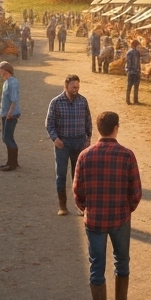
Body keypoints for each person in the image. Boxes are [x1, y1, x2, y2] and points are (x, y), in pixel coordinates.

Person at [73, 111, 142, 300]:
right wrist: (126, 209)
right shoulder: (127, 155)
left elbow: (77, 190)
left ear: (98, 128)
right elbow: (136, 191)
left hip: (95, 220)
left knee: (96, 265)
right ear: (116, 127)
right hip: (120, 218)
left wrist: (87, 208)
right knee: (121, 261)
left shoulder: (85, 155)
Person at [46, 74, 93, 217]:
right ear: (66, 86)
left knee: (78, 177)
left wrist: (87, 139)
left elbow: (88, 121)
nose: (76, 89)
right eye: (73, 87)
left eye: (78, 87)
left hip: (79, 143)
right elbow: (49, 124)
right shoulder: (55, 103)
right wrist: (55, 139)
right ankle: (63, 206)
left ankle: (80, 206)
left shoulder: (82, 101)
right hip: (63, 144)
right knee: (61, 175)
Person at [0, 61, 20, 172]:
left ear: (5, 70)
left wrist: (10, 112)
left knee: (8, 138)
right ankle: (9, 162)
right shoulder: (6, 82)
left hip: (11, 114)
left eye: (0, 71)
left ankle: (13, 163)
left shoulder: (13, 82)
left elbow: (14, 99)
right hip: (5, 113)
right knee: (5, 137)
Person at [124, 38, 142, 105]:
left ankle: (128, 100)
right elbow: (137, 63)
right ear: (136, 45)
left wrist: (128, 70)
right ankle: (135, 100)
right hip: (135, 72)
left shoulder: (130, 52)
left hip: (131, 72)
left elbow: (128, 63)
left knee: (129, 86)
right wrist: (138, 70)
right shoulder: (136, 52)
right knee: (135, 87)